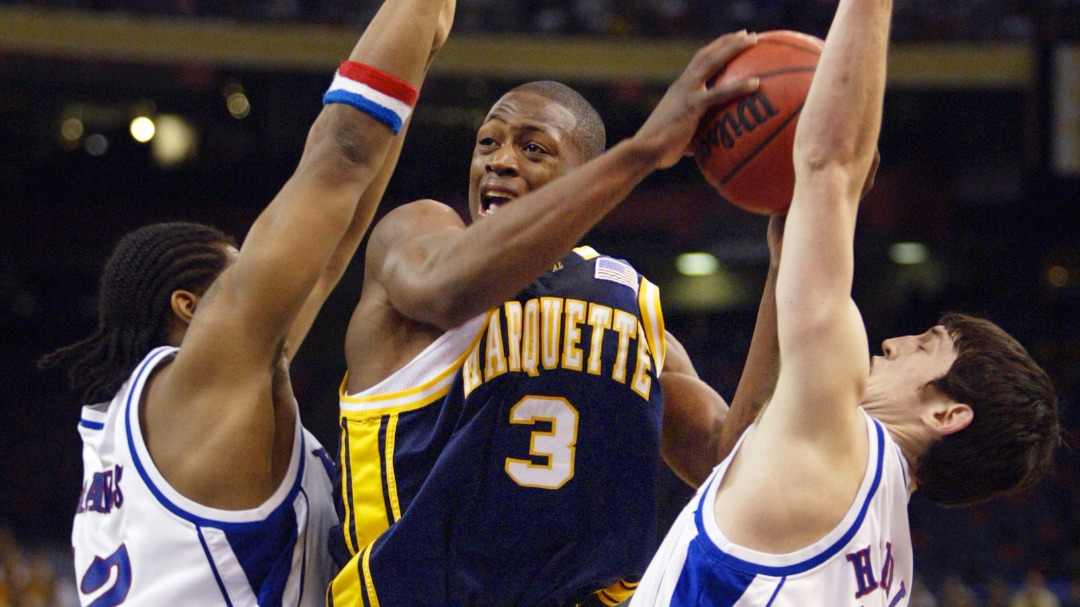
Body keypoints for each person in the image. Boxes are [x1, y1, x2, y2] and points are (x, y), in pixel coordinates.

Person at [627, 0, 1061, 601]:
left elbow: (828, 164)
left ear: (946, 414)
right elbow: (745, 443)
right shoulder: (892, 568)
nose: (895, 341)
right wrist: (786, 265)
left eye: (927, 346)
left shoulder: (842, 445)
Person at [38, 0, 454, 603]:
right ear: (189, 306)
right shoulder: (202, 383)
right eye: (238, 263)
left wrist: (424, 42)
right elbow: (342, 153)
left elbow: (335, 244)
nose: (263, 272)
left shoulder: (145, 430)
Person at [325, 33, 762, 607]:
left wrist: (795, 231)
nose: (499, 160)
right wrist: (643, 152)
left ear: (582, 173)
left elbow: (726, 460)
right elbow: (446, 290)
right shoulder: (420, 233)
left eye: (534, 149)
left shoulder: (633, 304)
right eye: (488, 143)